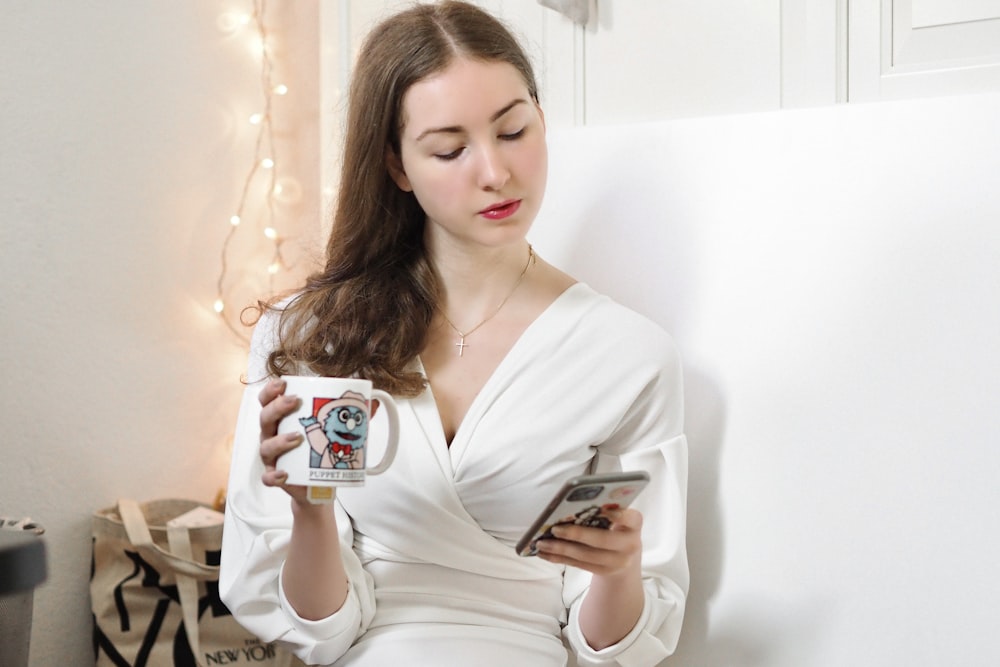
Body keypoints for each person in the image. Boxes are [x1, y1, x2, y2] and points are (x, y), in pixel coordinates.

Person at [219, 2, 688, 665]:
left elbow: (609, 649)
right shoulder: (305, 337)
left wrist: (618, 571)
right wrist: (310, 510)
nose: (494, 171)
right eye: (450, 148)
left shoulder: (629, 356)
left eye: (514, 130)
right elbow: (320, 634)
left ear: (543, 122)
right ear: (397, 166)